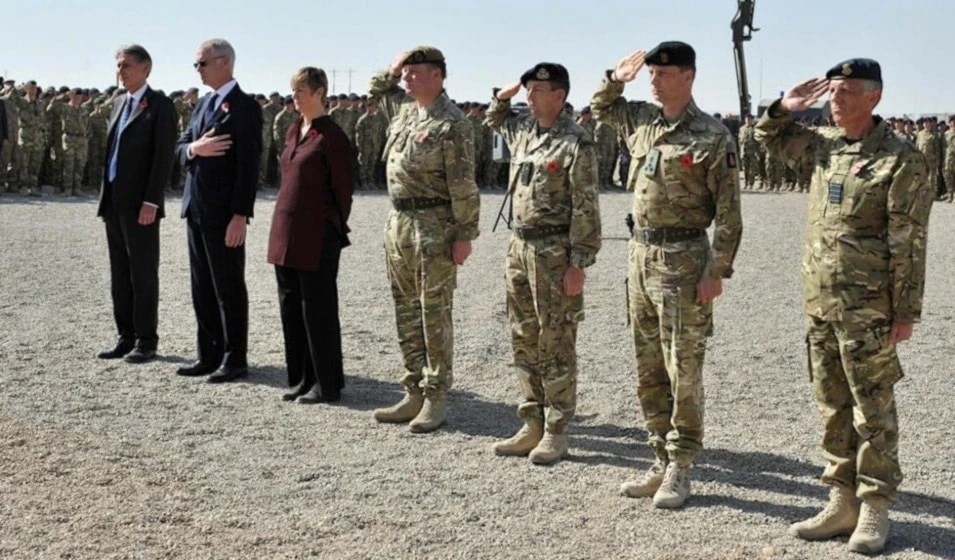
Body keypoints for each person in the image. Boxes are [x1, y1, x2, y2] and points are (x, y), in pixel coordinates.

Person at [755, 58, 932, 555]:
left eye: (848, 90)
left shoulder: (900, 158)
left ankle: (875, 504)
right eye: (833, 90)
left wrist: (905, 311)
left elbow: (910, 241)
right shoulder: (824, 146)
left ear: (875, 97)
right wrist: (783, 107)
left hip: (868, 307)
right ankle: (841, 499)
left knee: (872, 408)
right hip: (821, 300)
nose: (836, 99)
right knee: (832, 404)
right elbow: (767, 139)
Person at [590, 42, 742, 508]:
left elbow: (730, 214)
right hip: (640, 256)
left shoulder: (712, 136)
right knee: (649, 365)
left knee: (683, 368)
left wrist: (717, 269)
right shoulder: (642, 120)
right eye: (651, 73)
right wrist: (615, 80)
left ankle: (682, 463)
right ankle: (659, 454)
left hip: (684, 259)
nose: (654, 80)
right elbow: (601, 108)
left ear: (688, 76)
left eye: (664, 73)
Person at [484, 63, 601, 465]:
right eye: (528, 89)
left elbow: (586, 205)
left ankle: (557, 429)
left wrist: (579, 262)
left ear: (560, 96)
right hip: (519, 247)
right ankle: (531, 420)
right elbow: (494, 118)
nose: (530, 97)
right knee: (523, 337)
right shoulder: (523, 131)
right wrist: (505, 94)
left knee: (556, 341)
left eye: (538, 90)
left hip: (555, 253)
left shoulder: (576, 141)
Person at [368, 46, 480, 433]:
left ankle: (436, 395)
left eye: (415, 72)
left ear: (437, 76)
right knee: (406, 309)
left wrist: (464, 234)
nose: (406, 78)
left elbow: (464, 185)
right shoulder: (404, 112)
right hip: (399, 221)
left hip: (434, 225)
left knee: (433, 312)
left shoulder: (453, 124)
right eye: (405, 72)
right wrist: (392, 67)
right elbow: (377, 90)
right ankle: (413, 388)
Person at [175, 38, 262, 383]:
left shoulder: (244, 107)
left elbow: (248, 167)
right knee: (202, 287)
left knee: (228, 287)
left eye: (203, 63)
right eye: (196, 64)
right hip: (196, 208)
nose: (198, 69)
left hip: (225, 213)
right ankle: (208, 354)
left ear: (225, 62)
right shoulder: (203, 103)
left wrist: (240, 215)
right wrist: (195, 149)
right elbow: (180, 146)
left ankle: (234, 358)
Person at [267, 67, 354, 404]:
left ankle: (326, 383)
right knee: (290, 307)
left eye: (301, 90)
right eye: (293, 90)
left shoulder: (331, 137)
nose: (295, 96)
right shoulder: (294, 130)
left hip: (317, 233)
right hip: (285, 230)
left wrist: (332, 226)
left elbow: (343, 191)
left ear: (319, 93)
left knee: (317, 309)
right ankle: (302, 378)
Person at [95, 44, 177, 363]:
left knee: (142, 273)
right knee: (120, 273)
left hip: (141, 204)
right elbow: (110, 155)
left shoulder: (159, 105)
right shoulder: (118, 103)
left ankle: (146, 339)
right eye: (118, 65)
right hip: (115, 202)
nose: (121, 71)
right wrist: (105, 202)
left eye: (127, 65)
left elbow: (162, 157)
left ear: (146, 68)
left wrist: (152, 201)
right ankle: (125, 336)